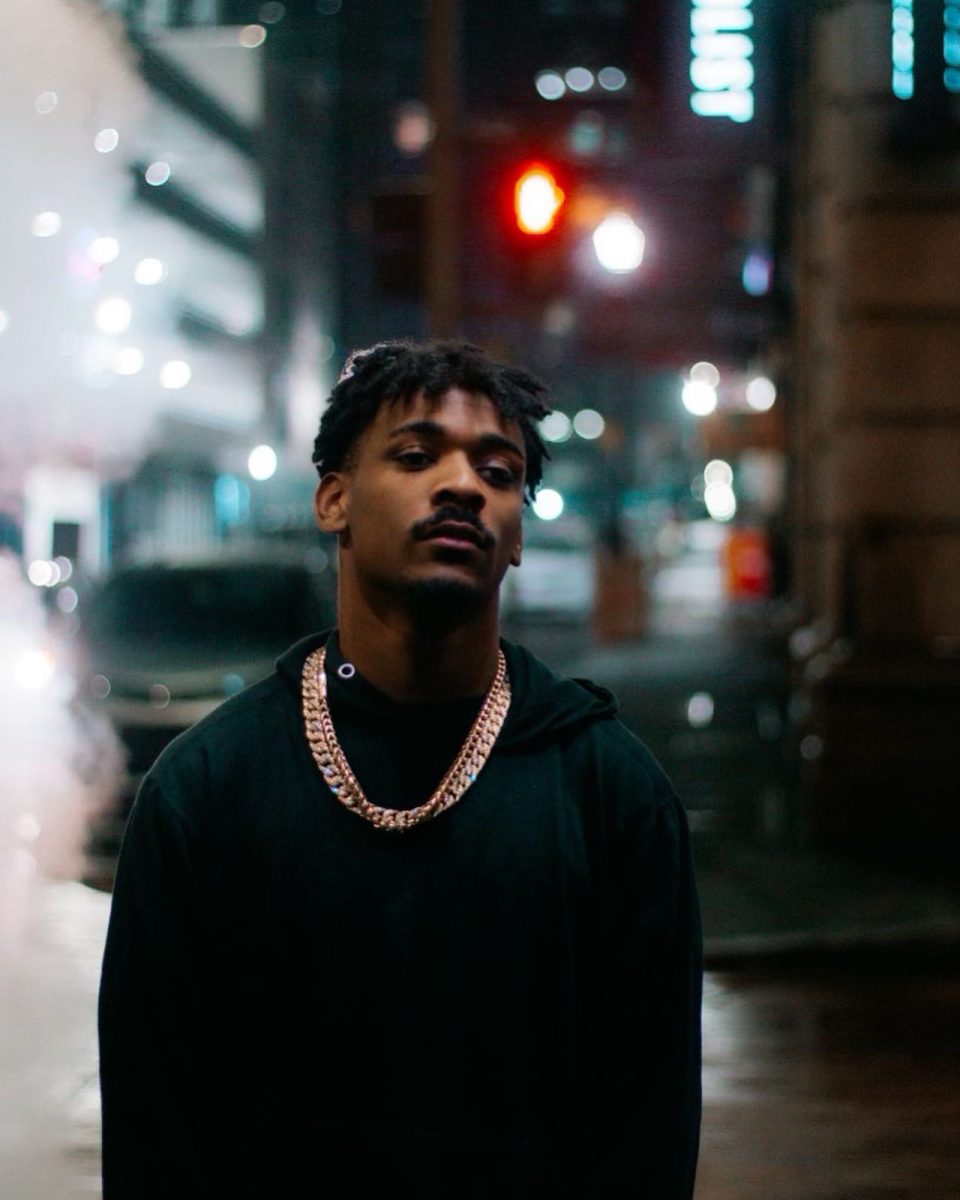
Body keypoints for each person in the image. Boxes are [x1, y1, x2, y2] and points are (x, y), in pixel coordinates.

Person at [99, 340, 702, 1198]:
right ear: (333, 498)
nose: (462, 485)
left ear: (519, 532)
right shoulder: (208, 789)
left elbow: (647, 1127)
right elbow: (157, 1127)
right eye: (416, 456)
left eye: (499, 472)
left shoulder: (610, 792)